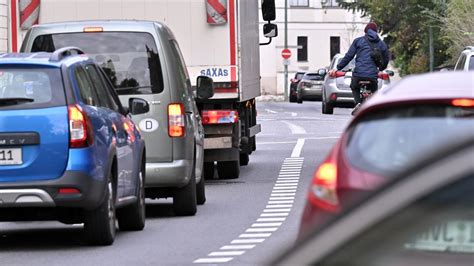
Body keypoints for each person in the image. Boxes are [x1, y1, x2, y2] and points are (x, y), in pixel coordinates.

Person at [328, 22, 390, 107]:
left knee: (354, 86)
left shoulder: (358, 41)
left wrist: (338, 68)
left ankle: (358, 103)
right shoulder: (381, 43)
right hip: (372, 75)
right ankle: (372, 106)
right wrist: (381, 68)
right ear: (376, 32)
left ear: (366, 31)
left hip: (358, 74)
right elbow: (386, 57)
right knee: (374, 89)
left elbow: (349, 56)